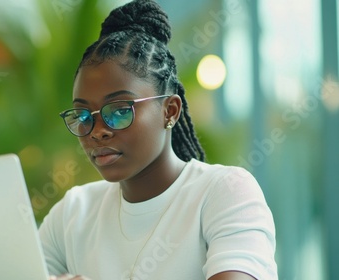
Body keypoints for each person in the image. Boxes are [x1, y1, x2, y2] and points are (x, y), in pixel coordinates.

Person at [39, 0, 277, 279]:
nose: (97, 131)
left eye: (119, 111)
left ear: (170, 111)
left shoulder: (223, 193)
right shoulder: (72, 213)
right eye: (83, 116)